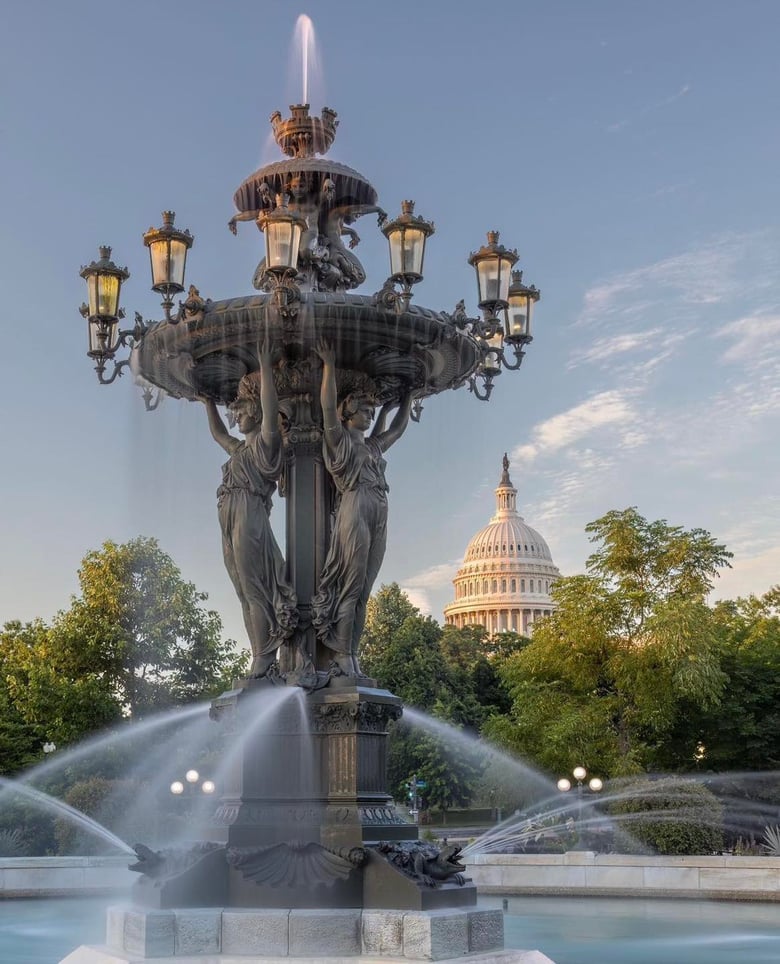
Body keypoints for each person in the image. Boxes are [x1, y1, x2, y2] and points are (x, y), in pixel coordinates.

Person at [312, 339, 413, 676]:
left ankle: (352, 652)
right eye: (365, 410)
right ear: (348, 411)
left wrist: (409, 394)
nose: (370, 414)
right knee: (350, 586)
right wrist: (328, 365)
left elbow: (397, 430)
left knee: (365, 590)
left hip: (378, 511)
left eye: (373, 411)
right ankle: (339, 654)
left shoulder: (372, 447)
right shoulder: (339, 440)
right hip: (355, 509)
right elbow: (326, 409)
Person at [201, 334, 296, 678]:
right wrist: (206, 401)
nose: (235, 416)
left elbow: (272, 412)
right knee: (242, 589)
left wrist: (267, 370)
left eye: (240, 410)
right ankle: (260, 651)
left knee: (254, 587)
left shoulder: (267, 443)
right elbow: (217, 434)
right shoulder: (240, 450)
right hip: (230, 517)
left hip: (249, 516)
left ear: (257, 411)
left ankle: (265, 657)